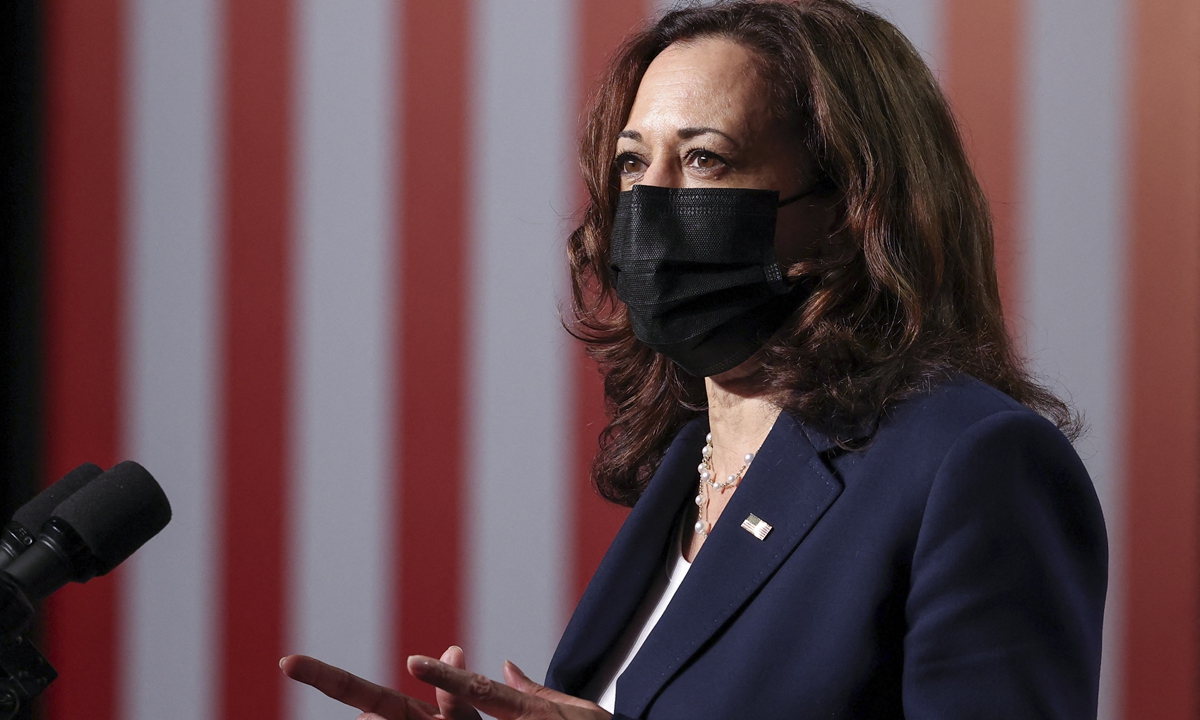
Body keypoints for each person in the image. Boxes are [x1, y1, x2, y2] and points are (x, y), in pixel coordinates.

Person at [280, 1, 1108, 718]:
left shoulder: (975, 462)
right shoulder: (691, 460)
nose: (647, 202)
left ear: (846, 214)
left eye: (705, 158)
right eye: (633, 162)